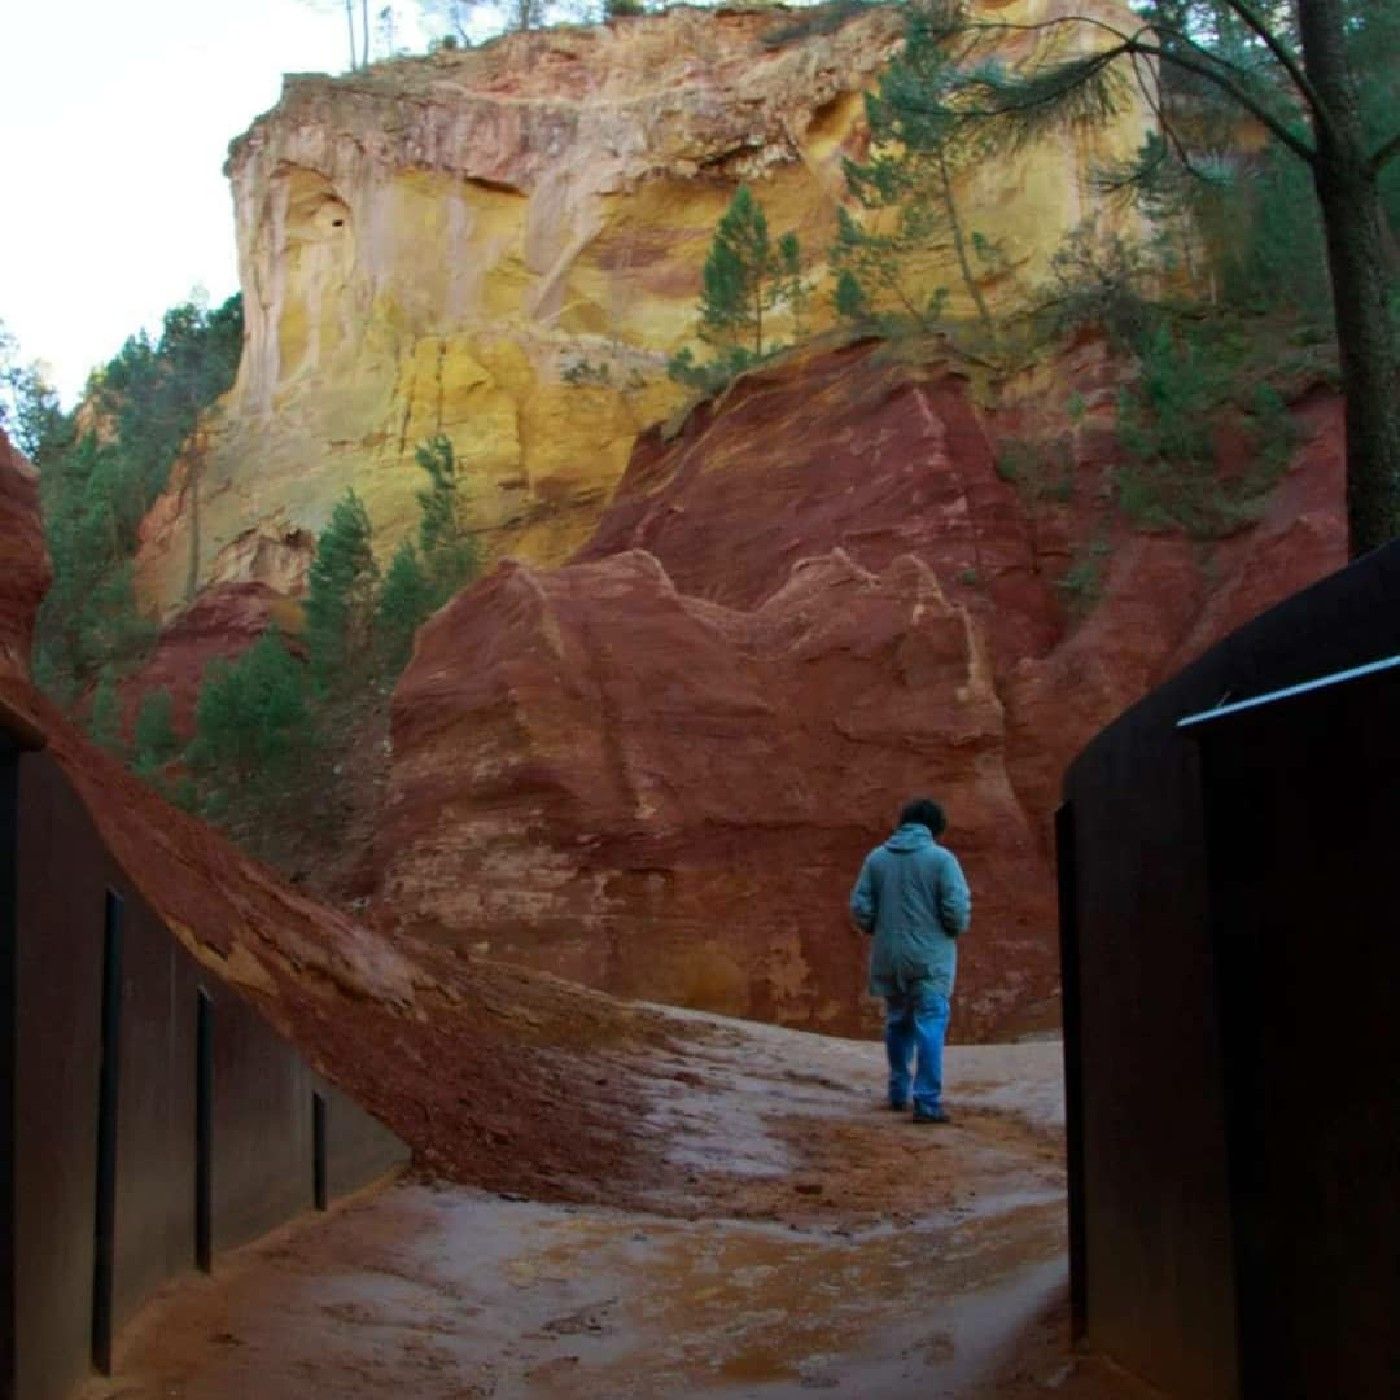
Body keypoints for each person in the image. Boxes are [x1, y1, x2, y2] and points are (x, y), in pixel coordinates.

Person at [849, 797, 972, 1125]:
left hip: (889, 957)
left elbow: (860, 905)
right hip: (930, 958)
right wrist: (950, 930)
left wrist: (879, 928)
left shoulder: (877, 859)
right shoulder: (942, 860)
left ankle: (897, 1091)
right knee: (930, 1022)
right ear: (936, 826)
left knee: (897, 1021)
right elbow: (956, 909)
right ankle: (927, 1102)